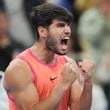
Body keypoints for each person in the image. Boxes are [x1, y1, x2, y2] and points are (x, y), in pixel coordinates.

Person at [3, 3, 94, 110]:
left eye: (68, 25)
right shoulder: (19, 69)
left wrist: (88, 82)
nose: (68, 30)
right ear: (42, 31)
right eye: (60, 25)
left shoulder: (68, 64)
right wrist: (62, 85)